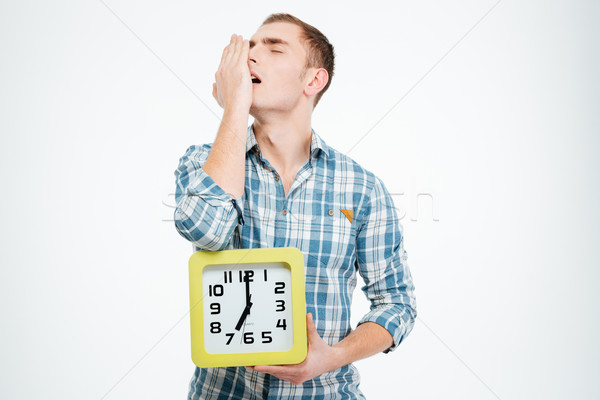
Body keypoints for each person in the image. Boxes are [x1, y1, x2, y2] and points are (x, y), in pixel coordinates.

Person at [173, 12, 417, 400]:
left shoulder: (362, 189)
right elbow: (208, 230)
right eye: (249, 47)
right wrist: (235, 108)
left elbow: (396, 304)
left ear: (313, 80)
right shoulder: (200, 163)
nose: (249, 56)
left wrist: (332, 357)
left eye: (273, 48)